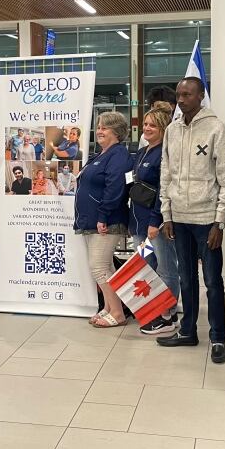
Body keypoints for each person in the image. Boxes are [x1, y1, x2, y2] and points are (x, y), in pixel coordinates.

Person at [156, 77, 225, 364]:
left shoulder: (217, 129)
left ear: (201, 96)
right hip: (178, 218)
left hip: (206, 220)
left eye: (188, 94)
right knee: (186, 279)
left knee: (213, 281)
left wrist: (219, 222)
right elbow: (165, 174)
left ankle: (218, 338)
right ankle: (187, 330)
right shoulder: (172, 131)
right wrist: (167, 214)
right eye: (178, 94)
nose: (181, 99)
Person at [74, 111, 133, 328]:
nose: (99, 131)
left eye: (105, 127)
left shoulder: (118, 155)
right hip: (92, 221)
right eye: (98, 126)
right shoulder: (100, 155)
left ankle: (117, 313)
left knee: (98, 267)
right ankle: (108, 307)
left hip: (106, 222)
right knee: (104, 266)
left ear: (116, 132)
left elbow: (115, 189)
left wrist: (103, 216)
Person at [128, 109, 180, 335]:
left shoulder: (163, 154)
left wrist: (155, 220)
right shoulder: (142, 152)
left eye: (153, 126)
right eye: (146, 124)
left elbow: (163, 190)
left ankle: (168, 314)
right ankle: (155, 308)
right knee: (147, 266)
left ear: (163, 129)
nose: (147, 128)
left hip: (154, 223)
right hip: (138, 222)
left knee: (166, 267)